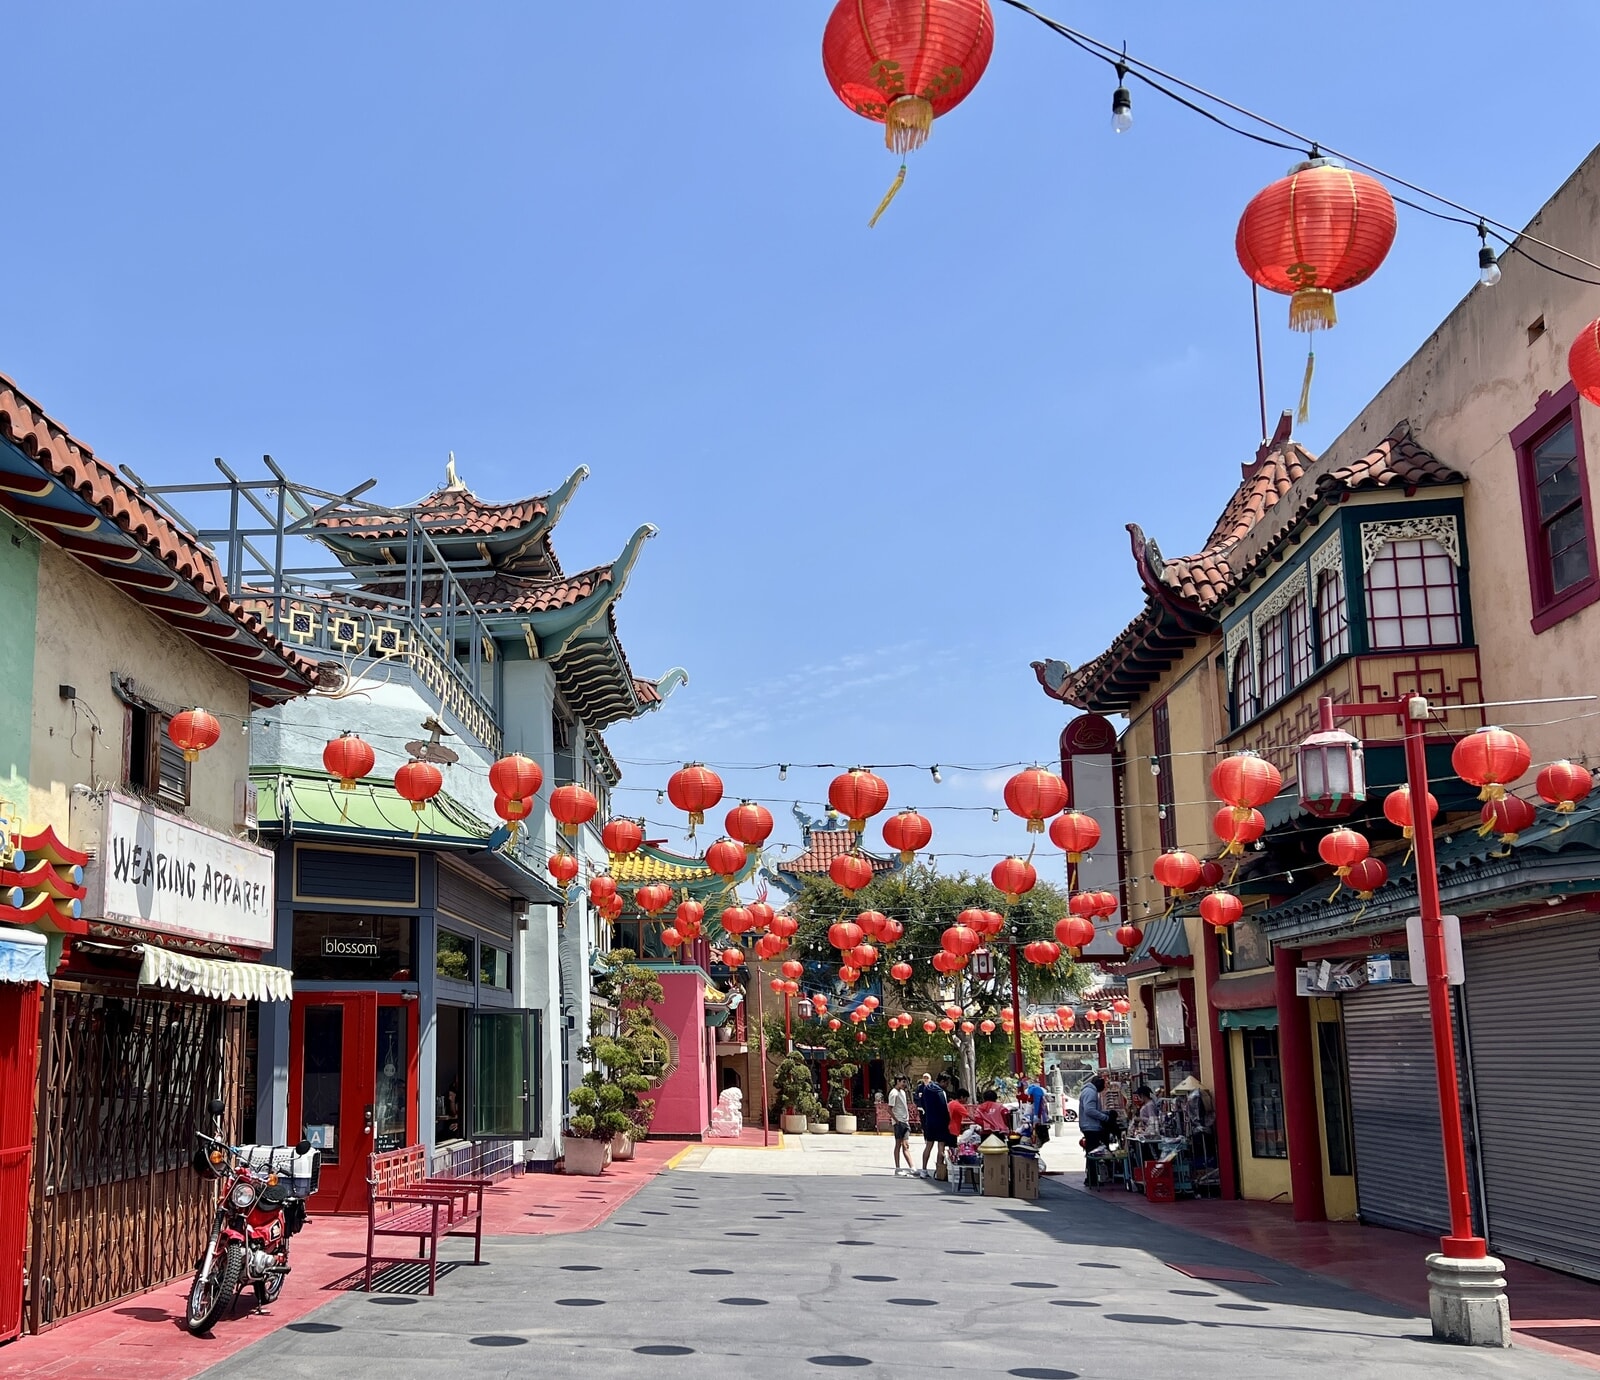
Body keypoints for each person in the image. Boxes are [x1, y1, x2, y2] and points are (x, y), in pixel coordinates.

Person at [1079, 1075, 1111, 1185]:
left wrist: (1105, 1113)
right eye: (1102, 1085)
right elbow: (1089, 1110)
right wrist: (1105, 1117)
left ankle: (1091, 1178)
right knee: (1093, 1154)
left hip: (1088, 1125)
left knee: (1091, 1153)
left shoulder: (1088, 1091)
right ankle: (1092, 1179)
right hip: (1091, 1127)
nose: (1103, 1087)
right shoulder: (1091, 1092)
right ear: (1097, 1084)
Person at [915, 1074, 949, 1178]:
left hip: (929, 1121)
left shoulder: (926, 1089)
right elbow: (944, 1107)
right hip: (941, 1122)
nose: (947, 1085)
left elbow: (922, 1103)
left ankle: (924, 1170)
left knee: (928, 1146)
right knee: (941, 1147)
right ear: (942, 1081)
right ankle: (939, 1172)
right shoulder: (940, 1092)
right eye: (946, 1083)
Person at [889, 1075, 913, 1176]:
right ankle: (897, 1168)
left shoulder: (902, 1092)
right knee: (898, 1144)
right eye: (903, 1082)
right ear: (898, 1081)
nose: (904, 1084)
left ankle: (912, 1167)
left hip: (905, 1121)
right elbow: (889, 1109)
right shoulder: (893, 1093)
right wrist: (896, 1120)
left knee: (906, 1145)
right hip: (899, 1122)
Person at [1023, 1074, 1049, 1146]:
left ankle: (1035, 1140)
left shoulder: (1031, 1091)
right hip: (1039, 1117)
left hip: (1034, 1116)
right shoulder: (1041, 1092)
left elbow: (1028, 1111)